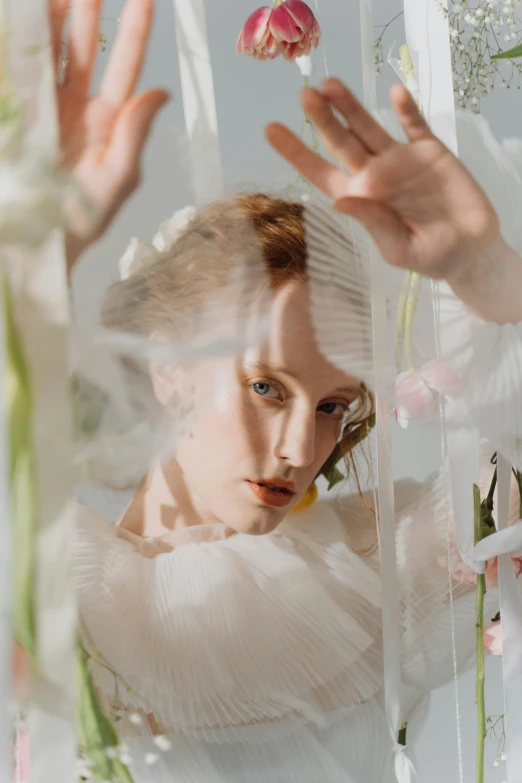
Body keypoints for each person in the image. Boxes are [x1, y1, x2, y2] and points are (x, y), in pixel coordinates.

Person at [54, 1, 522, 781]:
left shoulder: (379, 563)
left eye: (335, 405)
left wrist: (493, 284)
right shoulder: (56, 576)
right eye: (268, 386)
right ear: (168, 369)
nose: (302, 448)